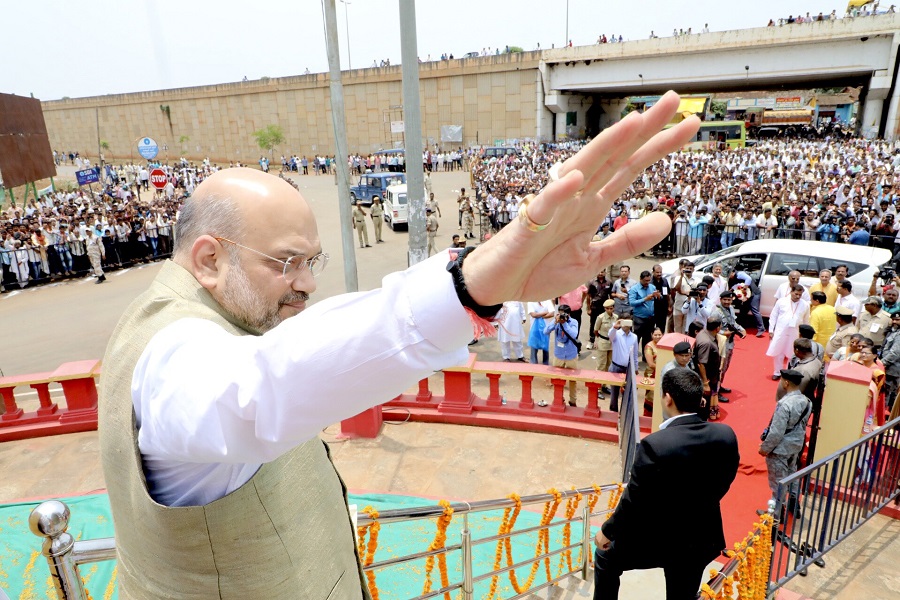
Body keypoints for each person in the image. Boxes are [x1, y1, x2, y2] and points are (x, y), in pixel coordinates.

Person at [97, 92, 701, 598]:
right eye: (286, 263)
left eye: (313, 261)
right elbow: (255, 389)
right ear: (209, 258)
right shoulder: (170, 358)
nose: (306, 284)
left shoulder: (197, 317)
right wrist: (470, 285)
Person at [593, 368, 739, 600]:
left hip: (656, 538)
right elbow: (726, 479)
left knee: (605, 557)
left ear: (668, 398)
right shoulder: (726, 435)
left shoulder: (654, 445)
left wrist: (607, 531)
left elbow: (633, 501)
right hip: (700, 537)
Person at [759, 370, 813, 504]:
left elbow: (776, 432)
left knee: (778, 482)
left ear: (786, 383)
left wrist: (765, 448)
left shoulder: (785, 404)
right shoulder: (807, 401)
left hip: (780, 448)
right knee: (792, 473)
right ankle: (794, 503)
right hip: (796, 445)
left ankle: (776, 514)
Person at [766, 285, 810, 380]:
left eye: (800, 294)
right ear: (791, 292)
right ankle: (777, 372)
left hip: (795, 332)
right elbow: (773, 316)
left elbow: (806, 320)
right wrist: (771, 330)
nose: (798, 296)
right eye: (796, 294)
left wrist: (805, 335)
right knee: (779, 352)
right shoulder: (781, 301)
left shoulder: (805, 304)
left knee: (792, 353)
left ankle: (788, 372)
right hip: (780, 330)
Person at [546, 304, 580, 406]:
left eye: (563, 314)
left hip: (571, 355)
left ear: (569, 314)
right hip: (559, 355)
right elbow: (545, 331)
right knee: (557, 379)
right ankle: (559, 399)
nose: (561, 316)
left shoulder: (574, 322)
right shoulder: (556, 321)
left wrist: (564, 324)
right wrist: (555, 322)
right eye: (560, 313)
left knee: (573, 380)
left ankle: (573, 401)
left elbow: (574, 334)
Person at [714, 291, 745, 399]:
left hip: (730, 341)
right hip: (721, 342)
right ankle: (716, 392)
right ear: (720, 300)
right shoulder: (716, 312)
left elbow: (733, 323)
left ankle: (720, 385)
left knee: (726, 366)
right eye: (725, 300)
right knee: (720, 367)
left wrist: (741, 329)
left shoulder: (731, 309)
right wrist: (723, 333)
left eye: (729, 300)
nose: (727, 302)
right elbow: (712, 329)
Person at [608, 318, 640, 412]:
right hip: (615, 367)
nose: (625, 325)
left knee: (627, 393)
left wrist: (636, 368)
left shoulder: (634, 337)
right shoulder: (616, 334)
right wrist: (615, 326)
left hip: (628, 368)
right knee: (614, 392)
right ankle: (613, 411)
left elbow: (635, 354)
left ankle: (624, 413)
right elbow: (610, 336)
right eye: (624, 322)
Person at [694, 318, 722, 420]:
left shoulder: (703, 333)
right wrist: (705, 383)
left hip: (711, 376)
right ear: (717, 328)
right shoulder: (706, 342)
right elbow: (701, 364)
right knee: (703, 407)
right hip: (707, 379)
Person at [628, 269, 659, 350]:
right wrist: (645, 299)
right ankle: (633, 357)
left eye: (649, 280)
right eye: (645, 281)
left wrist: (658, 296)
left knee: (648, 339)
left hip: (650, 318)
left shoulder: (652, 287)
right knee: (636, 339)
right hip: (639, 318)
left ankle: (646, 357)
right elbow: (632, 302)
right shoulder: (634, 289)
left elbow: (658, 298)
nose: (647, 282)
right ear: (640, 279)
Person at [669, 259, 698, 334]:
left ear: (693, 270)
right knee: (677, 327)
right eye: (687, 268)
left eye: (690, 269)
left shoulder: (696, 280)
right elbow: (676, 288)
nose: (689, 270)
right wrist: (681, 277)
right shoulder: (678, 278)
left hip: (689, 308)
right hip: (678, 306)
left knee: (686, 328)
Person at [586, 270, 613, 349]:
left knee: (606, 324)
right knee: (593, 324)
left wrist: (611, 306)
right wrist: (588, 308)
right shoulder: (592, 282)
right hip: (594, 306)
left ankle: (604, 341)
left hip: (605, 307)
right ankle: (591, 341)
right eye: (599, 272)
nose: (600, 273)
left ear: (605, 272)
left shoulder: (609, 282)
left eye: (602, 272)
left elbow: (611, 295)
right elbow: (588, 296)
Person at [594, 299, 618, 374]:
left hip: (612, 342)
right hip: (603, 342)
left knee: (610, 364)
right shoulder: (601, 317)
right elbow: (596, 330)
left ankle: (605, 384)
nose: (609, 310)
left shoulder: (616, 317)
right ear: (605, 308)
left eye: (611, 308)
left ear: (614, 308)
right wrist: (599, 338)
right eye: (607, 308)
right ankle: (599, 384)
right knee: (601, 364)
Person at [642, 327, 663, 415]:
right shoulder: (649, 347)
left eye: (659, 335)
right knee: (650, 397)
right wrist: (663, 369)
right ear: (652, 335)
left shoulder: (663, 345)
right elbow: (650, 364)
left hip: (660, 374)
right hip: (651, 374)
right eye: (655, 335)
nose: (658, 336)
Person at [528, 299, 555, 365]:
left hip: (545, 328)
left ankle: (545, 363)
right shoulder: (531, 301)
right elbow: (533, 315)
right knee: (534, 347)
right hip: (534, 328)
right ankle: (533, 363)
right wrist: (545, 312)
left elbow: (552, 314)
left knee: (545, 346)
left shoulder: (547, 300)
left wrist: (539, 315)